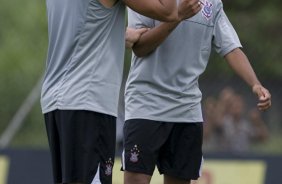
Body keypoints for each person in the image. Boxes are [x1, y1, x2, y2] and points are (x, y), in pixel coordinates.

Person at [40, 0, 201, 183]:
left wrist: (121, 34)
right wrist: (179, 15)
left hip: (56, 102)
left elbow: (81, 23)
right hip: (88, 102)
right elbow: (168, 12)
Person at [122, 0, 271, 183]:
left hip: (186, 111)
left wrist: (255, 84)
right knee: (135, 179)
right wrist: (177, 17)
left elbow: (230, 47)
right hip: (145, 105)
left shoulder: (213, 3)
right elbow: (140, 48)